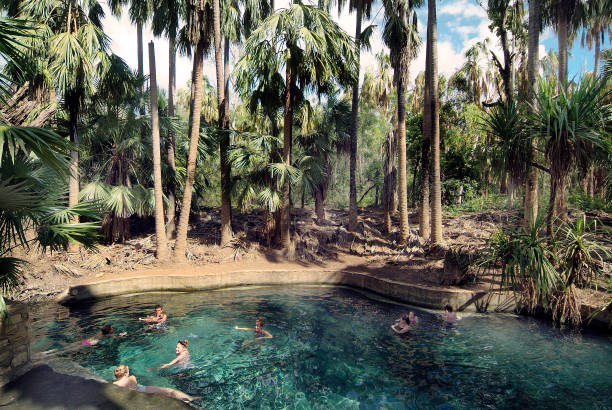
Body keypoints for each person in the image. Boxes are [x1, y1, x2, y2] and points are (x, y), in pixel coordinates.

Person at [113, 364, 196, 402]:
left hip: (130, 396)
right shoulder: (131, 378)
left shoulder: (114, 384)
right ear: (125, 373)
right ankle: (191, 398)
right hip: (141, 390)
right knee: (169, 391)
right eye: (128, 371)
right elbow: (134, 387)